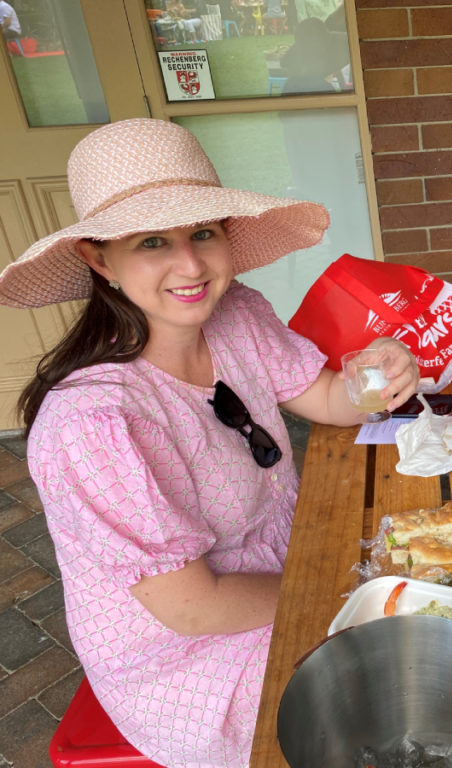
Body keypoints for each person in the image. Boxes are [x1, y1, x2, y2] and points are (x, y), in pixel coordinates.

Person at [0, 119, 419, 767]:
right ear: (97, 257)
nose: (190, 265)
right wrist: (340, 590)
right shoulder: (95, 425)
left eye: (202, 233)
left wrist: (378, 373)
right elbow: (194, 610)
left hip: (286, 565)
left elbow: (328, 399)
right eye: (151, 242)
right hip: (189, 654)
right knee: (396, 693)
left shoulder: (237, 314)